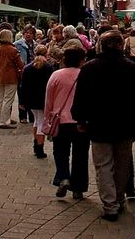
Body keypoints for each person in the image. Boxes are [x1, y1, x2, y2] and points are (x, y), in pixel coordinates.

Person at [72, 30, 135, 222]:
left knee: (103, 165)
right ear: (121, 45)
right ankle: (119, 198)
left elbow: (81, 97)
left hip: (98, 125)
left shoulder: (90, 68)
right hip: (125, 124)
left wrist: (80, 120)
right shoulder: (131, 67)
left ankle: (110, 205)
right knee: (122, 164)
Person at [44, 47, 89, 200]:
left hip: (60, 120)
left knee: (60, 152)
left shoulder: (56, 75)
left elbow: (48, 101)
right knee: (80, 154)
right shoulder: (85, 75)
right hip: (81, 120)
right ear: (82, 60)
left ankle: (63, 176)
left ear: (64, 59)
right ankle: (78, 188)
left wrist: (47, 119)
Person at [19, 45, 54, 159]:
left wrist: (22, 101)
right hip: (43, 99)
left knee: (36, 122)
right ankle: (40, 148)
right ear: (46, 54)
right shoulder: (48, 68)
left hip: (31, 99)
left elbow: (23, 86)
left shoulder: (28, 68)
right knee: (41, 123)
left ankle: (36, 144)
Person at [0, 29, 24, 129]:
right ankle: (4, 121)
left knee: (0, 99)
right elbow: (20, 65)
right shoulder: (13, 50)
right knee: (8, 100)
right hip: (11, 77)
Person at [14, 25, 38, 124]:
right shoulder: (17, 44)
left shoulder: (36, 45)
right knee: (22, 94)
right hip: (22, 72)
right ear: (23, 34)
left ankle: (32, 116)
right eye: (26, 33)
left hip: (33, 72)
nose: (28, 35)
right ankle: (22, 116)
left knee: (32, 94)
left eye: (30, 33)